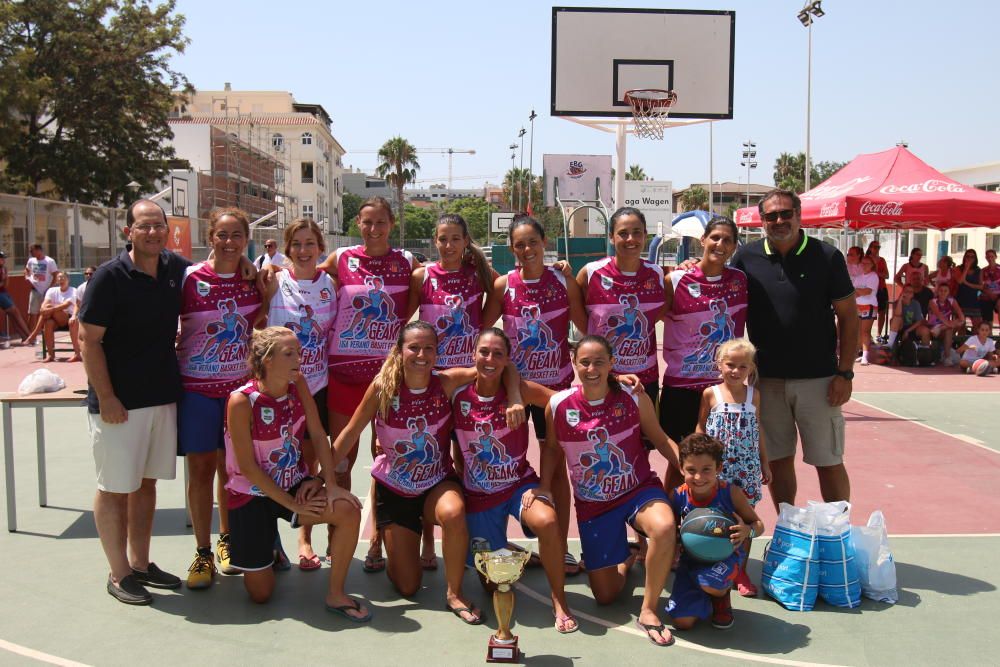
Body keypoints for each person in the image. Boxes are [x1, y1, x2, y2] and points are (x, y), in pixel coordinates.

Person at [330, 321, 507, 625]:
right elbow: (349, 433)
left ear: (437, 353)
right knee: (408, 585)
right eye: (414, 347)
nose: (421, 354)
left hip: (436, 483)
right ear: (400, 351)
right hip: (395, 489)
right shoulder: (382, 388)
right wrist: (323, 479)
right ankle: (393, 543)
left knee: (454, 512)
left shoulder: (447, 382)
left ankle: (454, 593)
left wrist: (515, 395)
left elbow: (500, 369)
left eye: (429, 348)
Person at [539, 335, 681, 647]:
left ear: (612, 364)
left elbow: (659, 438)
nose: (591, 368)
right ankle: (629, 556)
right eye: (585, 362)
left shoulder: (632, 394)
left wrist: (688, 470)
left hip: (637, 490)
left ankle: (649, 609)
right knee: (605, 596)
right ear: (574, 364)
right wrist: (545, 486)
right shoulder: (558, 405)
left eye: (599, 361)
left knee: (665, 526)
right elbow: (551, 450)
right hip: (594, 505)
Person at [78, 200, 186, 604]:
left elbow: (213, 268)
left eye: (159, 226)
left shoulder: (175, 269)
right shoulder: (109, 277)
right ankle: (119, 573)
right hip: (118, 405)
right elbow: (88, 341)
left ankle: (141, 563)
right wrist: (106, 397)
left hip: (161, 396)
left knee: (145, 485)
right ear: (129, 233)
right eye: (145, 227)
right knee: (113, 489)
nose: (154, 233)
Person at [224, 327, 370, 620]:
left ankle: (336, 594)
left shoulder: (298, 383)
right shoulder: (241, 401)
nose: (299, 360)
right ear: (266, 360)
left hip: (293, 484)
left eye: (299, 353)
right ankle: (271, 547)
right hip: (250, 494)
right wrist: (292, 505)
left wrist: (329, 484)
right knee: (261, 595)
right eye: (289, 354)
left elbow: (317, 434)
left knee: (348, 509)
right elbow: (249, 469)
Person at [729, 188, 856, 511]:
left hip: (820, 381)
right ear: (762, 221)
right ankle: (789, 527)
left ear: (799, 216)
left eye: (786, 213)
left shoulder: (827, 256)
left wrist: (845, 373)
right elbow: (717, 282)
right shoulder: (746, 257)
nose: (779, 220)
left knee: (828, 460)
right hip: (766, 381)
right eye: (771, 216)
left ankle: (836, 532)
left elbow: (849, 317)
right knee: (777, 460)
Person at [318, 196, 421, 572]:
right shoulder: (341, 259)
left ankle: (377, 538)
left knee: (386, 461)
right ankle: (336, 539)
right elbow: (299, 277)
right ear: (357, 224)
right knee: (341, 461)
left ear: (391, 224)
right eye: (367, 222)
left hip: (388, 380)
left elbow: (450, 274)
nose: (373, 229)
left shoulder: (408, 264)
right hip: (343, 376)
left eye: (380, 222)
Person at [453, 328, 577, 633]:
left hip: (518, 485)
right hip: (479, 495)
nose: (490, 358)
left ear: (508, 360)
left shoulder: (520, 390)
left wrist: (617, 382)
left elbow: (565, 402)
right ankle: (513, 551)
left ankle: (559, 600)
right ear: (473, 356)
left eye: (498, 353)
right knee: (491, 585)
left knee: (547, 521)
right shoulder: (457, 392)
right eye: (484, 352)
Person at [483, 214, 588, 576]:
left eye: (532, 242)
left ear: (545, 243)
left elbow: (587, 332)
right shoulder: (503, 286)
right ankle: (496, 538)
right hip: (512, 389)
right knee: (502, 461)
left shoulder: (564, 282)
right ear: (512, 249)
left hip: (554, 388)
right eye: (519, 244)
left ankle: (558, 544)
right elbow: (482, 332)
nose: (527, 249)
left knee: (555, 467)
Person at [176, 208, 262, 589]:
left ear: (246, 240)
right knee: (199, 470)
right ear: (210, 236)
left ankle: (228, 540)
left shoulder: (256, 279)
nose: (229, 242)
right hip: (196, 389)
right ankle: (202, 551)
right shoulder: (190, 279)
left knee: (232, 471)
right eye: (222, 235)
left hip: (238, 394)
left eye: (236, 236)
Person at [407, 213, 497, 570]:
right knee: (430, 457)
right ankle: (426, 538)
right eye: (442, 238)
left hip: (467, 383)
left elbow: (500, 297)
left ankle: (472, 534)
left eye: (456, 239)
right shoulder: (422, 276)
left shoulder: (478, 276)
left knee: (466, 458)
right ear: (435, 240)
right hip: (430, 382)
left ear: (465, 241)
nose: (448, 246)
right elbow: (403, 324)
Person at [262, 217, 339, 571]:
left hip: (316, 388)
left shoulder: (331, 285)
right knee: (269, 461)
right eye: (297, 244)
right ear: (287, 249)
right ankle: (267, 540)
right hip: (275, 392)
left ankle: (304, 536)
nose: (304, 250)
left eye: (310, 244)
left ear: (320, 248)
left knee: (307, 465)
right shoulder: (273, 281)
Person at [660, 215, 747, 468]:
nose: (720, 244)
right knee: (681, 465)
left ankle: (715, 510)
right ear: (703, 240)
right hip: (682, 389)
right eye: (715, 237)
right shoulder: (676, 280)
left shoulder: (740, 281)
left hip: (723, 388)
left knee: (722, 464)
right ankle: (674, 508)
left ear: (734, 247)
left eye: (727, 240)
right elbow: (649, 319)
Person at [666, 433, 764, 632]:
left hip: (726, 556)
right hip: (691, 559)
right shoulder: (678, 496)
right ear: (681, 468)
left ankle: (720, 596)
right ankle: (702, 592)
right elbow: (670, 532)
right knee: (682, 623)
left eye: (706, 470)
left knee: (711, 582)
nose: (699, 477)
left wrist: (748, 531)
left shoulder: (730, 492)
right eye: (691, 470)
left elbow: (758, 524)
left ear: (719, 468)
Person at [696, 338, 767, 597]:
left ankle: (741, 570)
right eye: (730, 365)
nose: (736, 371)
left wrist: (764, 463)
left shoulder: (754, 395)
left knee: (745, 520)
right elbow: (701, 428)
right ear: (720, 364)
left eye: (743, 367)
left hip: (746, 470)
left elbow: (758, 430)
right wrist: (697, 464)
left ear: (751, 368)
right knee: (717, 518)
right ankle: (714, 564)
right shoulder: (710, 394)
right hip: (719, 470)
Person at [576, 207, 666, 408]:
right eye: (623, 233)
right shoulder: (591, 273)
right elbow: (579, 314)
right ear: (611, 237)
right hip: (603, 376)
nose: (630, 239)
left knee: (646, 437)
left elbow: (656, 315)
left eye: (637, 232)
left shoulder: (656, 274)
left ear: (645, 235)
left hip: (644, 378)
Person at [24, 271, 79, 361]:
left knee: (50, 309)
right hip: (52, 318)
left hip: (67, 318)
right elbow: (45, 303)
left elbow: (65, 305)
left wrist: (48, 310)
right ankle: (50, 355)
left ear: (68, 280)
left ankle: (34, 334)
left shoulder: (73, 291)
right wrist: (43, 308)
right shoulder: (52, 290)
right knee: (48, 323)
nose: (60, 279)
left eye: (63, 278)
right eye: (59, 278)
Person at [24, 243, 58, 335]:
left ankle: (46, 334)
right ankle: (31, 335)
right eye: (30, 251)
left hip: (46, 292)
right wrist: (27, 277)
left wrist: (49, 289)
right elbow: (26, 269)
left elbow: (55, 275)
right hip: (35, 290)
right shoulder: (31, 261)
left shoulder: (49, 261)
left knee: (46, 314)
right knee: (32, 313)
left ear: (39, 250)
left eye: (32, 251)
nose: (31, 253)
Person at [927, 283, 964, 365]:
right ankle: (947, 357)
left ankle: (947, 358)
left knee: (953, 327)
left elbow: (962, 317)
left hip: (942, 328)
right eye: (941, 291)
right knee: (950, 328)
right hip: (933, 327)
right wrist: (951, 324)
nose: (943, 293)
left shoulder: (952, 301)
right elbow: (939, 316)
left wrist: (943, 327)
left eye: (945, 291)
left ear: (948, 292)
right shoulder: (932, 302)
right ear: (937, 291)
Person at [0, 250, 32, 344]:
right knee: (15, 312)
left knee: (13, 314)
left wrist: (6, 278)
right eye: (1, 259)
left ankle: (24, 336)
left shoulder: (4, 269)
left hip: (4, 293)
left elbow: (5, 285)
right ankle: (30, 336)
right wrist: (3, 281)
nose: (3, 261)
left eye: (3, 259)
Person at [853, 256, 880, 365]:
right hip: (857, 305)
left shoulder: (873, 276)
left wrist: (858, 291)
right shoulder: (858, 277)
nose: (864, 265)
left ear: (872, 265)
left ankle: (865, 356)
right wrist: (859, 291)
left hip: (869, 305)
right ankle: (861, 353)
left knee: (865, 331)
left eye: (867, 263)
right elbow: (853, 292)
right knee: (858, 331)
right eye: (862, 263)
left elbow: (867, 291)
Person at [866, 241, 890, 340]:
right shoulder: (866, 259)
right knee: (869, 312)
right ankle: (867, 334)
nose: (877, 249)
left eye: (878, 247)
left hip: (881, 288)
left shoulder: (882, 260)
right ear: (870, 248)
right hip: (869, 289)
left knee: (882, 312)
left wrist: (876, 272)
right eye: (875, 247)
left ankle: (879, 334)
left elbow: (887, 275)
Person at [955, 249, 983, 332]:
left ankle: (975, 344)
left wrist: (967, 283)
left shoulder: (979, 270)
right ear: (964, 257)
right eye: (968, 256)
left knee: (977, 325)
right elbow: (960, 281)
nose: (970, 258)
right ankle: (961, 344)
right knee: (961, 326)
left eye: (972, 257)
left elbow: (981, 286)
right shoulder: (958, 268)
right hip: (961, 299)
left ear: (975, 259)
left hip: (974, 300)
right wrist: (966, 268)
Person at [978, 249, 1000, 333]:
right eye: (988, 257)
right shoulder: (983, 271)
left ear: (995, 257)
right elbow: (981, 286)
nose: (990, 258)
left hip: (998, 295)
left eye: (992, 256)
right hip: (987, 295)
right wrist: (989, 293)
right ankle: (989, 335)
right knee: (987, 317)